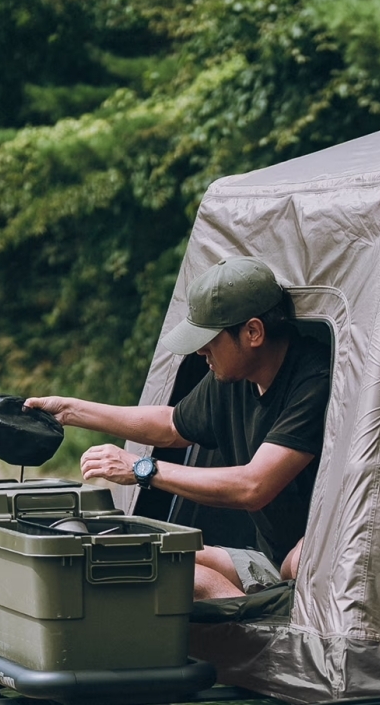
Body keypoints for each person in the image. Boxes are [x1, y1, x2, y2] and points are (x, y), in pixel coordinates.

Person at [26, 257, 330, 600]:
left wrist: (143, 469)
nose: (201, 351)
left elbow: (253, 486)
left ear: (253, 332)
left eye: (210, 340)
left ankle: (252, 633)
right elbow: (171, 425)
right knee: (158, 557)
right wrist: (69, 410)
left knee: (273, 567)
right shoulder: (233, 375)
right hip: (271, 559)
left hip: (315, 560)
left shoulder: (314, 379)